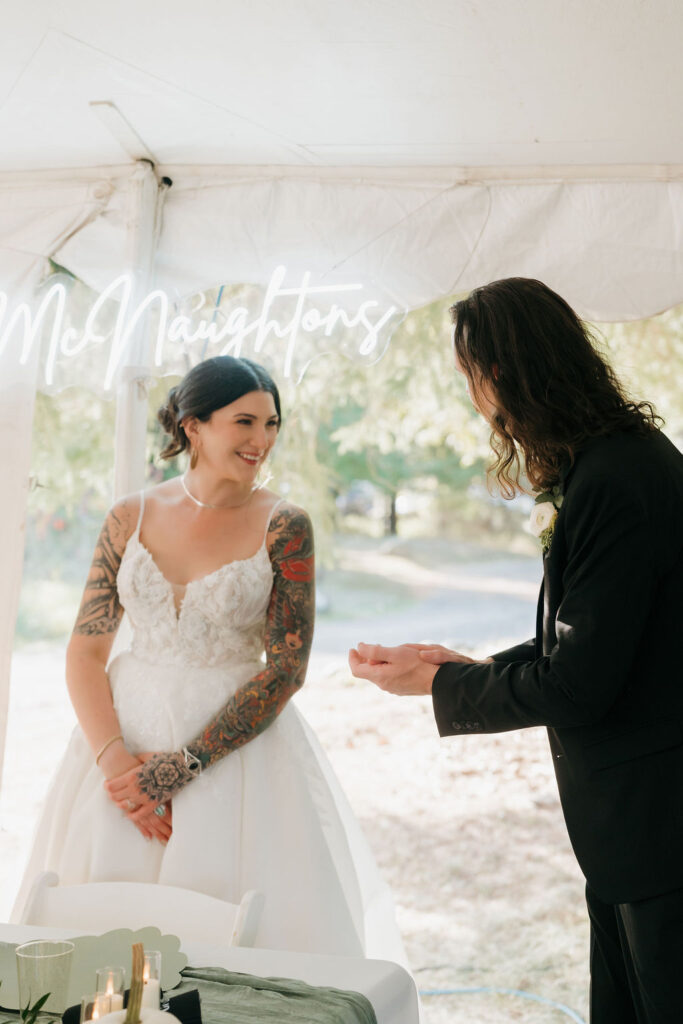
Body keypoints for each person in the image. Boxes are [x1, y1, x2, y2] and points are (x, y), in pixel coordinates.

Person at [349, 278, 683, 1023]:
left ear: (498, 373)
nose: (470, 393)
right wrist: (460, 668)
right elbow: (583, 643)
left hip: (657, 833)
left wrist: (436, 689)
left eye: (468, 373)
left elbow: (577, 685)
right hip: (631, 835)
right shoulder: (612, 463)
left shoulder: (615, 479)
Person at [13, 355, 405, 962]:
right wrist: (120, 767)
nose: (262, 440)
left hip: (236, 760)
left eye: (272, 424)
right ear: (194, 425)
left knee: (231, 937)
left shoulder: (286, 525)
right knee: (101, 938)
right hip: (120, 745)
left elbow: (286, 669)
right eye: (244, 422)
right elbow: (86, 650)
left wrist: (178, 770)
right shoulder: (129, 516)